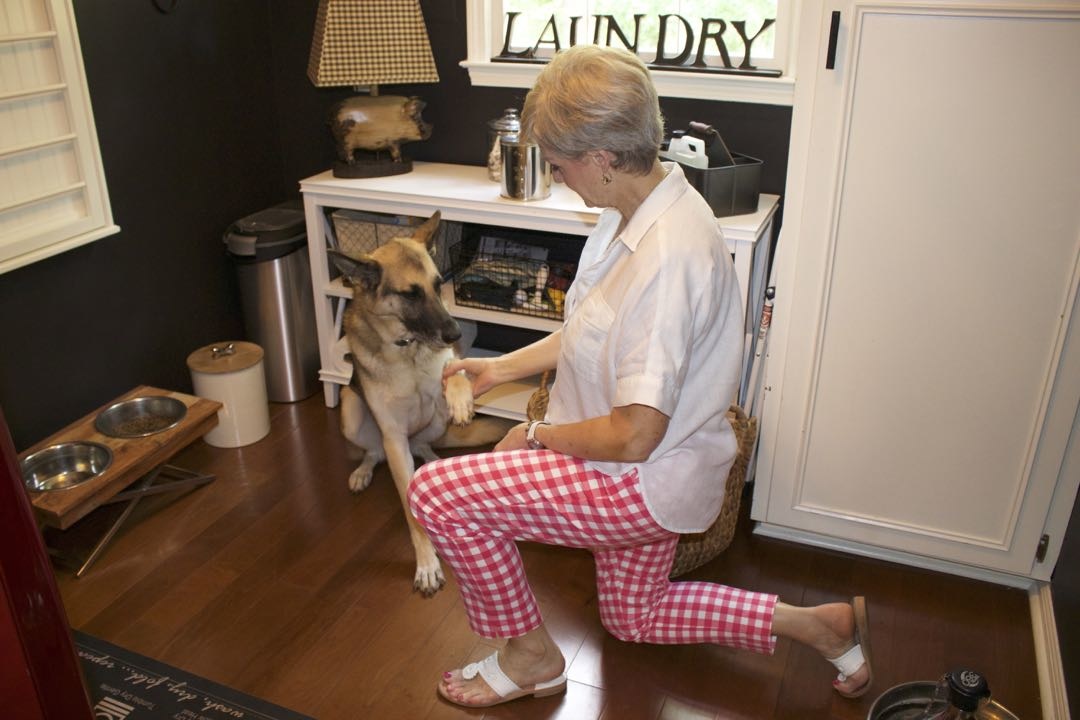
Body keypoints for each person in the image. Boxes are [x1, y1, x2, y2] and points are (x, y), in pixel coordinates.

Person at [407, 44, 873, 709]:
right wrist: (498, 369)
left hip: (639, 477)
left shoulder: (668, 256)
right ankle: (814, 624)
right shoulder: (639, 209)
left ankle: (533, 656)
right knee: (635, 618)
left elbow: (633, 436)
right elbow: (597, 328)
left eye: (561, 162)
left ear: (600, 157)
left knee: (439, 494)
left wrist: (535, 437)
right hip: (659, 467)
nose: (559, 174)